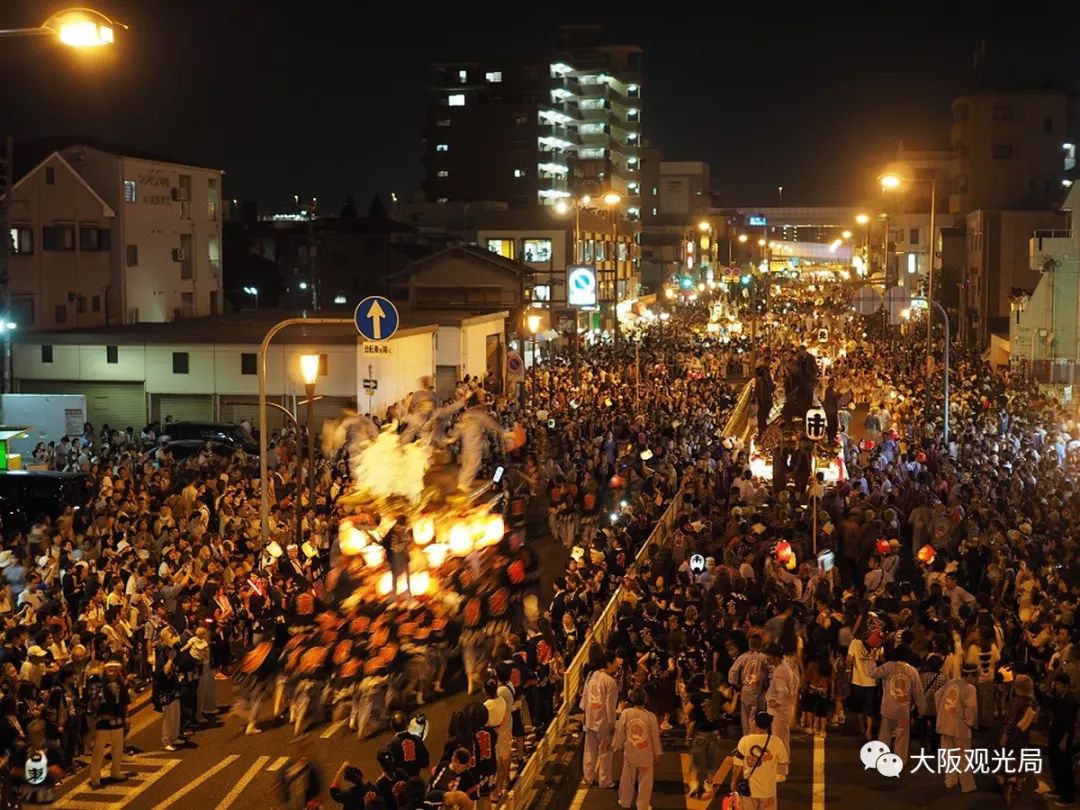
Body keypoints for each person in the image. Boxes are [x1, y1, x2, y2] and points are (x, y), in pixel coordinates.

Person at [867, 644, 926, 765]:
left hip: (888, 708)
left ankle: (882, 758)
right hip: (903, 711)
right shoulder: (912, 671)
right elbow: (918, 693)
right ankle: (900, 760)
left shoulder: (888, 666)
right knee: (902, 737)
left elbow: (873, 673)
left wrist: (872, 660)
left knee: (884, 734)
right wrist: (921, 709)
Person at [611, 688, 662, 810]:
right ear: (645, 700)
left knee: (627, 777)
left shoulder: (626, 713)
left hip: (630, 751)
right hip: (646, 752)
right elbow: (655, 737)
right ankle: (643, 805)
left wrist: (617, 745)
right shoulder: (650, 717)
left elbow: (620, 732)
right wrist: (657, 753)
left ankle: (625, 801)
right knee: (645, 780)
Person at [730, 711, 788, 810]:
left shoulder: (745, 741)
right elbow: (783, 761)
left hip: (750, 790)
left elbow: (737, 764)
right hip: (768, 790)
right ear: (769, 725)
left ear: (755, 723)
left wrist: (733, 782)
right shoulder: (777, 742)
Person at [934, 663, 977, 793]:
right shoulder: (970, 688)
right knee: (963, 755)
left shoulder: (951, 682)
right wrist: (969, 721)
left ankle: (950, 780)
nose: (976, 678)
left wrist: (941, 712)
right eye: (974, 676)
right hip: (959, 725)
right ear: (969, 675)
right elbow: (971, 707)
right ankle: (967, 785)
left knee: (948, 754)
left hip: (945, 722)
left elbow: (937, 695)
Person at [87, 660, 130, 789]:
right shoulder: (99, 684)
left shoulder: (120, 684)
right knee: (98, 751)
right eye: (109, 668)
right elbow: (92, 704)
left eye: (114, 668)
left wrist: (126, 716)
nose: (111, 670)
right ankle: (95, 776)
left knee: (118, 748)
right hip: (103, 721)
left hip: (117, 720)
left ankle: (116, 771)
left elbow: (124, 702)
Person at [580, 651, 618, 789]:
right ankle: (605, 780)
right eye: (614, 661)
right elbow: (610, 705)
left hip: (590, 719)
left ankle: (588, 778)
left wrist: (585, 714)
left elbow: (585, 696)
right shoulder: (610, 682)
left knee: (589, 751)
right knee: (605, 752)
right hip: (603, 722)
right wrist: (612, 722)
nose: (616, 664)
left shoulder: (592, 676)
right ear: (608, 663)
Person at [763, 642, 796, 775]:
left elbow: (782, 692)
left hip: (780, 712)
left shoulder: (780, 671)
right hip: (783, 710)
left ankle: (781, 769)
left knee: (779, 739)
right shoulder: (783, 667)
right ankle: (782, 766)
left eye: (769, 656)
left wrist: (774, 702)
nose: (767, 658)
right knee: (782, 738)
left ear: (775, 657)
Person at [1045, 673, 1077, 807]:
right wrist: (1048, 693)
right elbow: (1049, 707)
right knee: (1054, 763)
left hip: (1064, 735)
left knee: (1064, 765)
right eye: (1055, 684)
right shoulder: (1059, 697)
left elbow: (1070, 723)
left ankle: (1069, 797)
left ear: (1066, 686)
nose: (1056, 686)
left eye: (1058, 684)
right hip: (1055, 732)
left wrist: (1064, 739)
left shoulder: (1071, 700)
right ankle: (1059, 789)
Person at [728, 635, 769, 736]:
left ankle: (747, 738)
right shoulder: (764, 658)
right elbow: (772, 672)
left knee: (746, 717)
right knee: (757, 716)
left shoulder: (743, 657)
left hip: (746, 689)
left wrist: (737, 684)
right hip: (760, 690)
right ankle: (757, 735)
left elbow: (732, 673)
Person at [389, 710, 431, 780]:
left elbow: (391, 768)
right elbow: (425, 761)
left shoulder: (392, 745)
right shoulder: (416, 739)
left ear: (392, 727)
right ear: (406, 724)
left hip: (402, 780)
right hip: (416, 776)